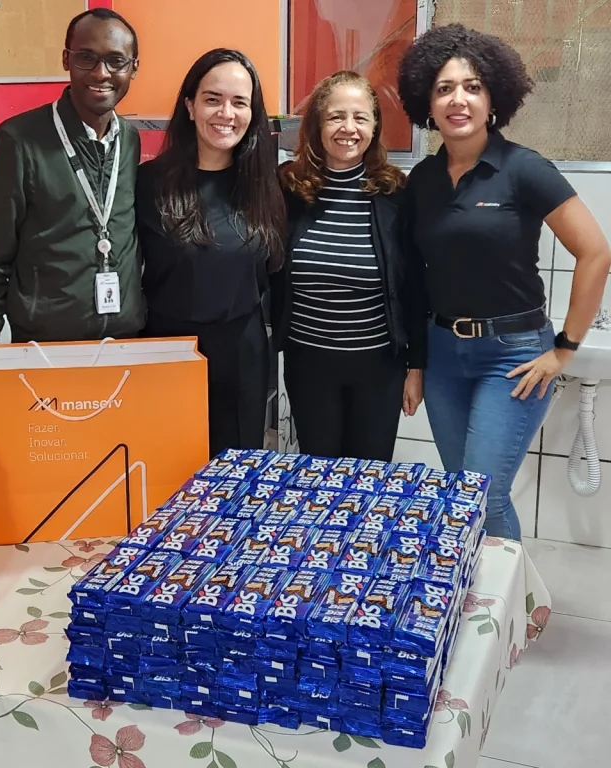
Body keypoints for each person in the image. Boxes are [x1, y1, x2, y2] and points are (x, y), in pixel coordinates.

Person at [398, 24, 611, 540]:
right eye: (444, 88)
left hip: (512, 356)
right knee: (460, 495)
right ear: (427, 102)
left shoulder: (523, 169)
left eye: (472, 87)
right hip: (443, 354)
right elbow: (414, 277)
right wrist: (415, 364)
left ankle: (510, 592)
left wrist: (564, 349)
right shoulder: (421, 181)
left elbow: (596, 252)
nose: (458, 99)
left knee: (484, 498)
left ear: (493, 98)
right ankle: (477, 588)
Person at [0, 8, 145, 345]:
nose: (101, 72)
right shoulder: (19, 141)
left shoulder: (130, 140)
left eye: (116, 61)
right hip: (45, 346)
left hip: (124, 340)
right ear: (66, 60)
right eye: (86, 57)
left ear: (133, 67)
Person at [135, 49, 287, 458]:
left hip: (243, 357)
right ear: (189, 106)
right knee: (168, 474)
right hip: (167, 354)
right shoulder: (147, 184)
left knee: (235, 478)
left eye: (240, 102)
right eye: (212, 99)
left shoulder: (267, 186)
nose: (226, 113)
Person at [272, 71, 425, 462]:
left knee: (368, 479)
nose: (348, 128)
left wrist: (416, 367)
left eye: (360, 117)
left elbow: (414, 287)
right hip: (308, 365)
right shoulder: (289, 189)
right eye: (336, 116)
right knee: (318, 474)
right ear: (317, 125)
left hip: (379, 368)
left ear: (374, 127)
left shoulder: (395, 193)